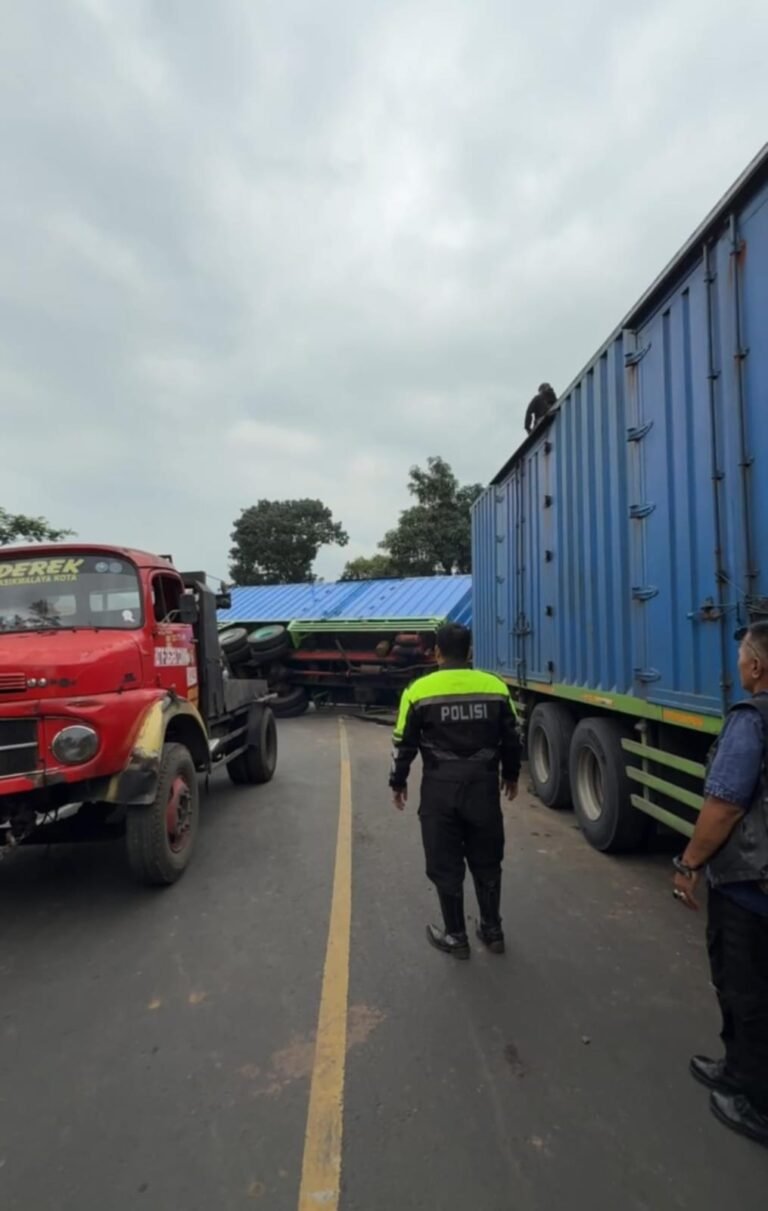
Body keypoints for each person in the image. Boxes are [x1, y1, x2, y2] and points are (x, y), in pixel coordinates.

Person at [672, 621, 768, 1148]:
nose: (737, 665)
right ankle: (735, 1067)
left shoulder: (751, 721)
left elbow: (725, 804)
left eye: (740, 657)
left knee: (744, 988)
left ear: (756, 666)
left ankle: (755, 1101)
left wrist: (689, 863)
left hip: (748, 886)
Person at [389, 622, 521, 959]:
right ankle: (493, 932)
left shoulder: (418, 690)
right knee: (488, 859)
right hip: (483, 788)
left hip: (439, 790)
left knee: (445, 862)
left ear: (436, 653)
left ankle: (456, 937)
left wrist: (398, 781)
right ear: (470, 652)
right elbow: (511, 737)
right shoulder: (494, 686)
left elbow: (403, 743)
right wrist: (512, 775)